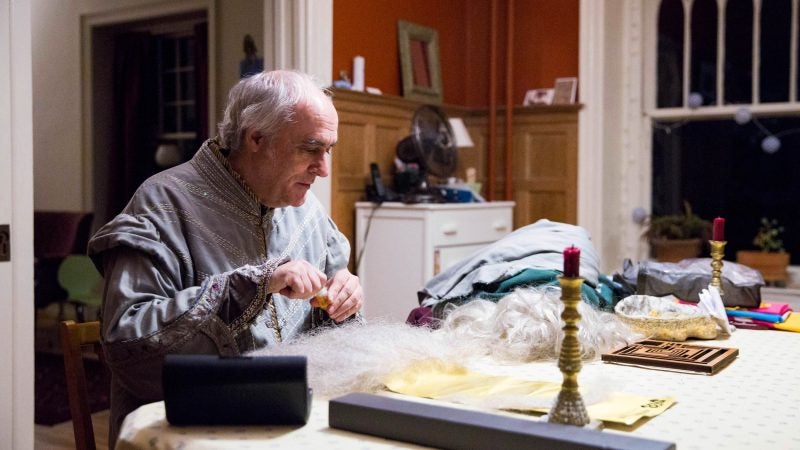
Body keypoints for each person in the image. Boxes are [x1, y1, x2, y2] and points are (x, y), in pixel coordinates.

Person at [88, 70, 363, 446]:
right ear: (256, 138)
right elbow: (128, 342)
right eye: (310, 148)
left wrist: (342, 298)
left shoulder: (307, 209)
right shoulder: (161, 204)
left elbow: (331, 318)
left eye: (327, 150)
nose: (324, 168)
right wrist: (253, 285)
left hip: (293, 423)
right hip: (190, 430)